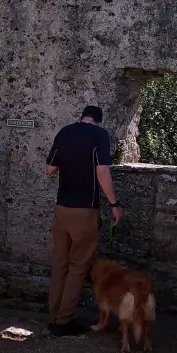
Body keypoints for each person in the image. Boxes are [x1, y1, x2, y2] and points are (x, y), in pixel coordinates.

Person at [44, 105, 122, 337]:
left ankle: (54, 315)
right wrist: (115, 204)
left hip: (61, 209)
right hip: (84, 210)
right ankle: (63, 322)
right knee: (78, 267)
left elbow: (49, 169)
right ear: (97, 121)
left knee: (60, 264)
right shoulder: (99, 135)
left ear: (81, 117)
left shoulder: (65, 132)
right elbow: (102, 171)